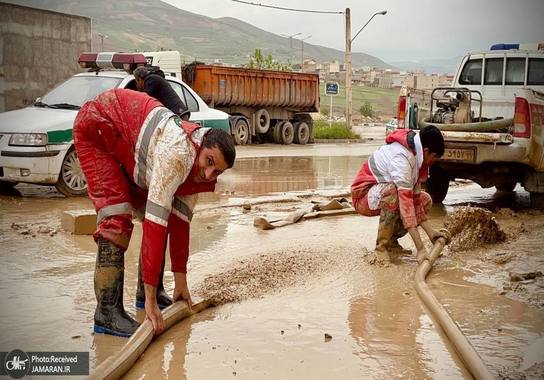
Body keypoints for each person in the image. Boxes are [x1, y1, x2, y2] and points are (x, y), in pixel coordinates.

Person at [73, 88, 236, 337]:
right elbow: (154, 225)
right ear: (200, 145)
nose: (208, 175)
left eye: (217, 172)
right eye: (209, 162)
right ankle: (106, 313)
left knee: (165, 215)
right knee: (117, 220)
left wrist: (180, 283)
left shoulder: (196, 172)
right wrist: (151, 303)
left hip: (126, 139)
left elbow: (179, 225)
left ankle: (148, 292)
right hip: (98, 126)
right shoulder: (178, 154)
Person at [351, 125, 446, 265]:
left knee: (425, 200)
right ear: (426, 151)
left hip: (381, 192)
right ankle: (381, 249)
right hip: (363, 196)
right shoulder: (402, 158)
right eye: (434, 157)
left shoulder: (416, 155)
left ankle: (392, 242)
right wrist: (420, 249)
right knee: (394, 195)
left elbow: (417, 201)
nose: (433, 162)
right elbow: (407, 207)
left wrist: (431, 233)